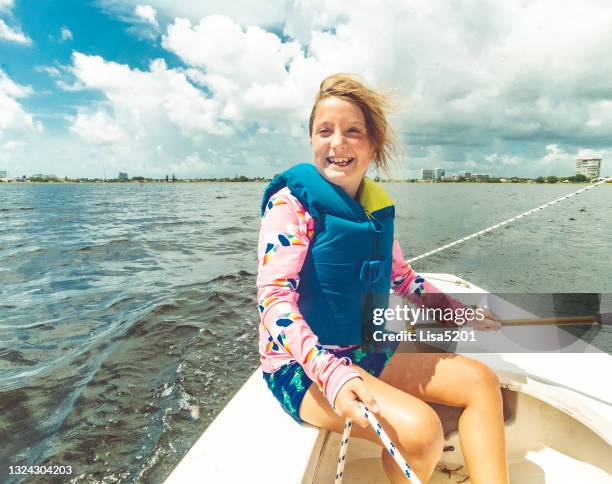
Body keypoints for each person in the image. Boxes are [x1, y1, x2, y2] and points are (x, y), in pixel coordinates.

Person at [256, 74, 509, 483]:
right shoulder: (290, 206)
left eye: (352, 131)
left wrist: (460, 314)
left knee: (482, 381)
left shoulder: (374, 209)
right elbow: (273, 300)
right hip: (302, 366)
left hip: (365, 347)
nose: (337, 142)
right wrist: (333, 374)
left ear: (373, 145)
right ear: (312, 141)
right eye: (325, 131)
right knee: (422, 433)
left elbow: (404, 279)